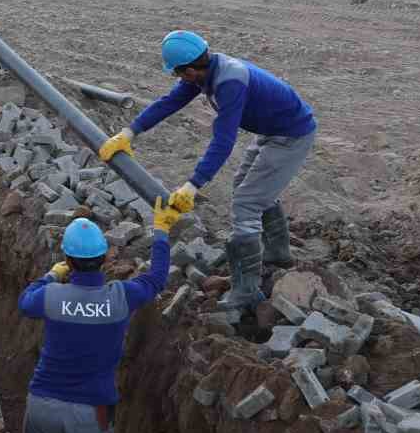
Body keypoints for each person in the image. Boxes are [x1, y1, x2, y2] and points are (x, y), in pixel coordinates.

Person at [97, 30, 317, 310]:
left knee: (247, 202)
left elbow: (224, 140)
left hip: (291, 135)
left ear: (189, 70)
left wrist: (192, 185)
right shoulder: (205, 71)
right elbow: (169, 102)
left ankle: (247, 291)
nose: (179, 80)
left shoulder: (229, 81)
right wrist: (129, 132)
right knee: (246, 188)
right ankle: (277, 252)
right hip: (272, 130)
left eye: (178, 74)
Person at [18, 205, 180, 433]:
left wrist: (52, 274)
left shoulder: (52, 296)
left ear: (68, 259)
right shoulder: (120, 297)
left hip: (43, 404)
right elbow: (156, 279)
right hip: (94, 413)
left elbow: (25, 301)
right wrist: (162, 232)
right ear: (105, 259)